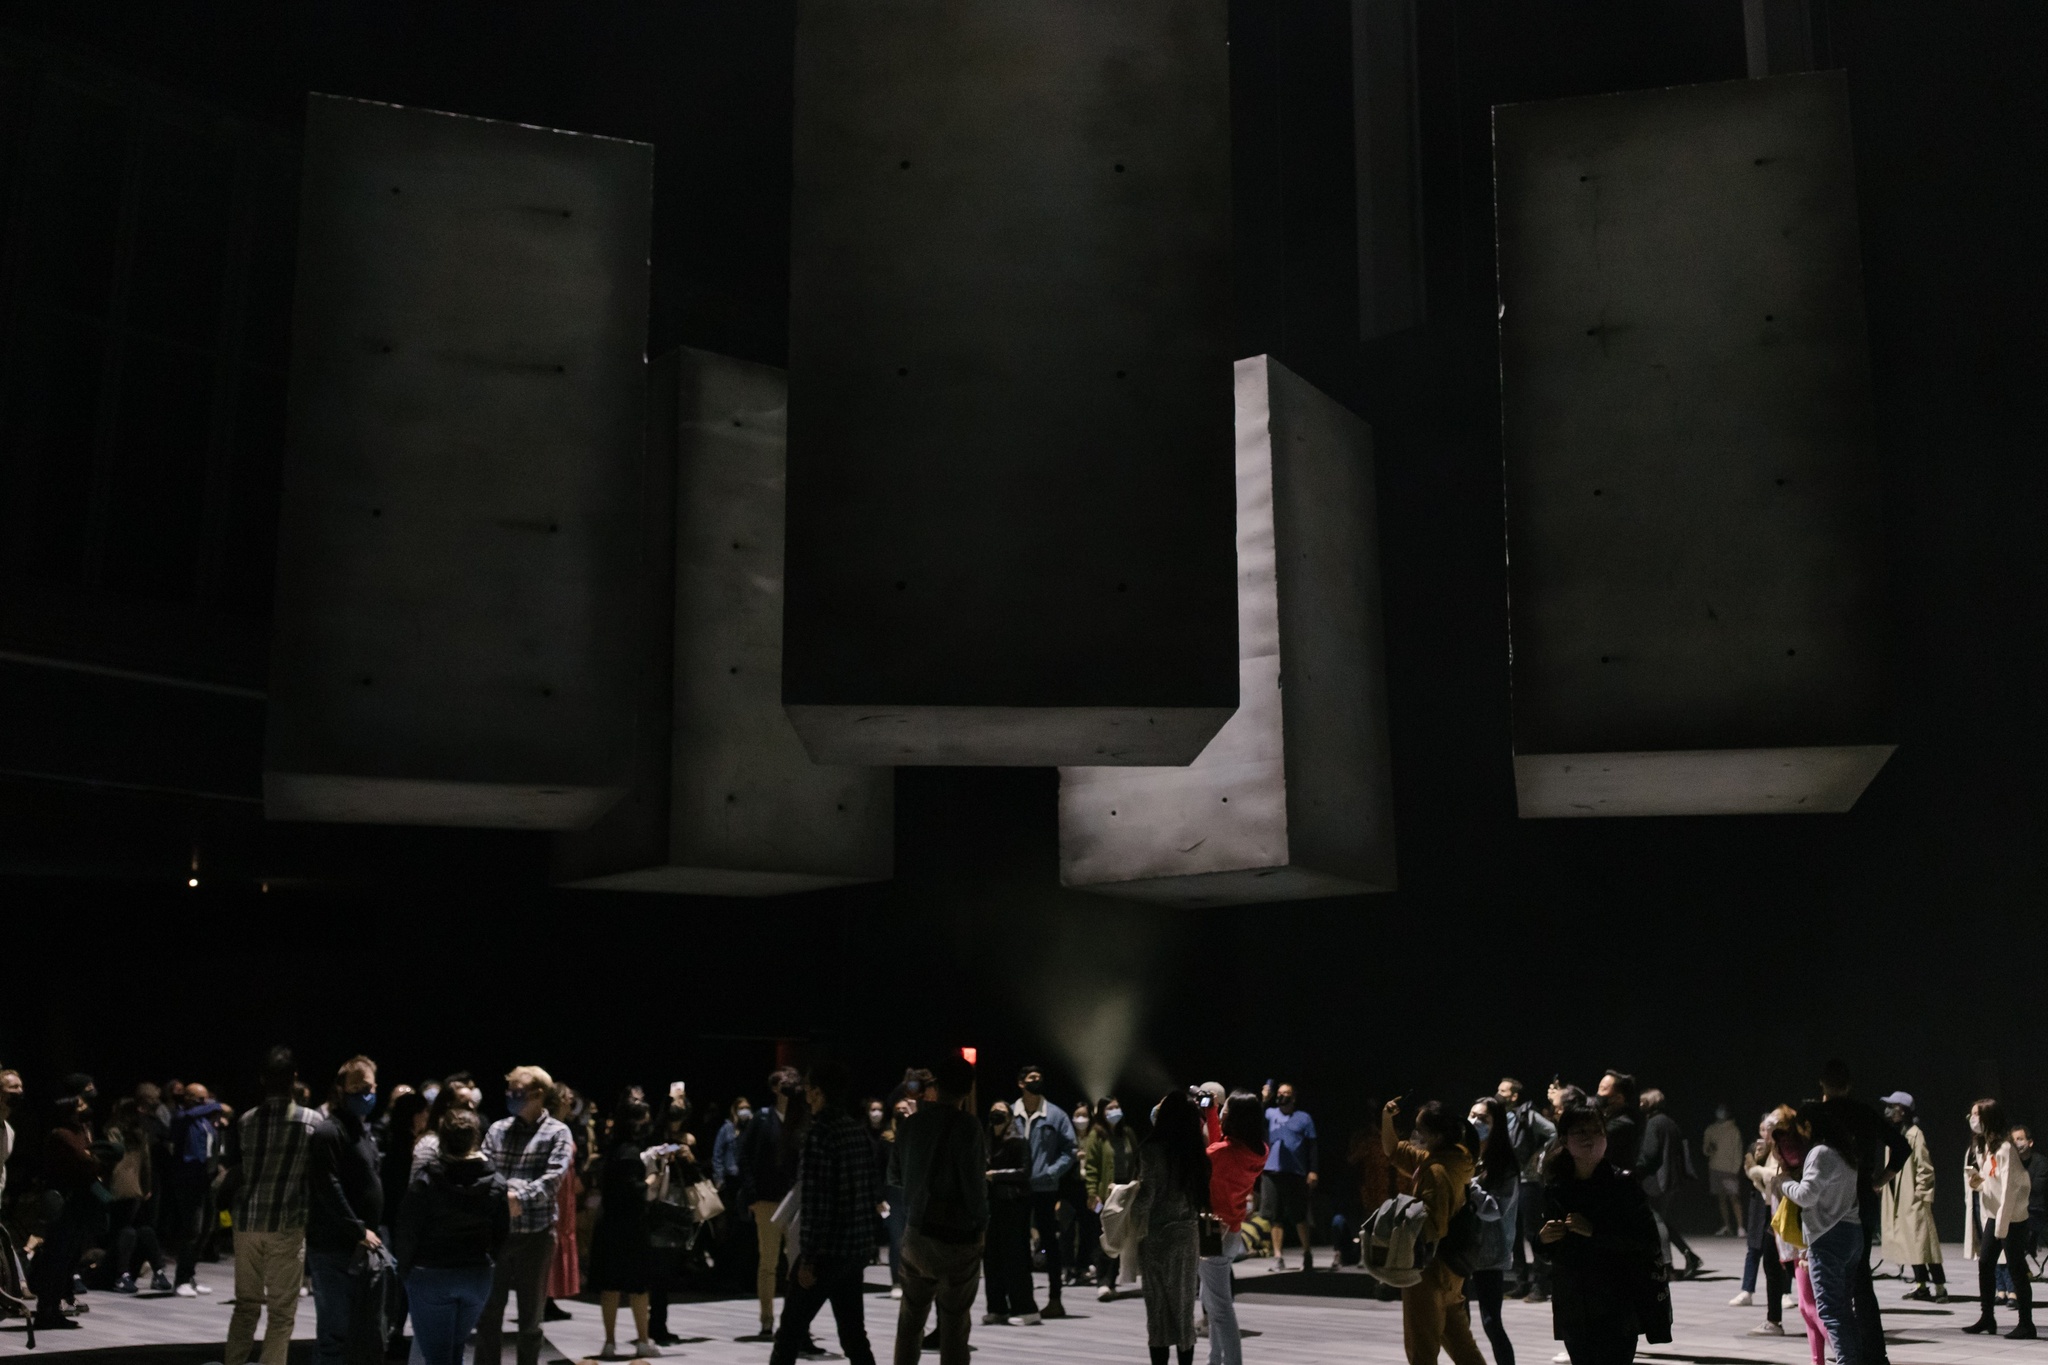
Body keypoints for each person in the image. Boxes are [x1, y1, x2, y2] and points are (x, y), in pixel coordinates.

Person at [770, 1060, 882, 1365]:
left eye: (808, 1087)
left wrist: (808, 1259)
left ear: (817, 1092)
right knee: (853, 1335)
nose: (805, 1093)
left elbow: (817, 1203)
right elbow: (869, 1190)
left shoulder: (819, 1134)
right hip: (854, 1250)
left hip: (826, 1254)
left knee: (789, 1334)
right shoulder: (856, 1131)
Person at [1535, 1102, 1664, 1365]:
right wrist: (1543, 1240)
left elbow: (1647, 1243)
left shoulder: (1623, 1184)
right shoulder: (1556, 1187)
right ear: (1564, 1140)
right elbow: (1549, 1251)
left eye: (1596, 1131)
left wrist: (1594, 1232)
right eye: (1580, 1132)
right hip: (1573, 1306)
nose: (1589, 1138)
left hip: (1616, 1304)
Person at [222, 1046, 322, 1365]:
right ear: (294, 1078)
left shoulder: (246, 1120)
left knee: (245, 1305)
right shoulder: (312, 1121)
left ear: (262, 1079)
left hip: (247, 1222)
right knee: (280, 1314)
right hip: (286, 1223)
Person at [890, 1055, 988, 1365]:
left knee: (910, 1321)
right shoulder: (968, 1127)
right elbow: (974, 1189)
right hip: (956, 1238)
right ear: (968, 1090)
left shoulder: (911, 1124)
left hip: (916, 1233)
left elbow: (894, 1176)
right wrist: (981, 1227)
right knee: (954, 1324)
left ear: (936, 1085)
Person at [477, 1065, 576, 1365]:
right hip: (499, 1235)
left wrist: (516, 1196)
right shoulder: (497, 1130)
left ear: (538, 1095)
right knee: (488, 1315)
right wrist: (506, 1197)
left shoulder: (558, 1132)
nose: (511, 1095)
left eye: (517, 1090)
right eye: (510, 1090)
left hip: (536, 1235)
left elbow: (552, 1180)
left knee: (531, 1320)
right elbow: (483, 1172)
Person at [398, 1109, 511, 1365]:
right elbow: (502, 1234)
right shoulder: (496, 1183)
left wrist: (406, 1274)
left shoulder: (425, 1181)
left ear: (442, 1139)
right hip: (476, 1276)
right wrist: (487, 1261)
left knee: (437, 1357)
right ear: (476, 1138)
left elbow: (407, 1233)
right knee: (455, 1351)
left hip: (431, 1275)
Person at [1816, 1060, 1908, 1365]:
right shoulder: (1865, 1113)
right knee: (1861, 1281)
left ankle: (1848, 1352)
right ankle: (1875, 1354)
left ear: (1823, 1085)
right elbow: (1901, 1147)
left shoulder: (1817, 1114)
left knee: (1832, 1284)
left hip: (1828, 1204)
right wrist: (1878, 1180)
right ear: (1849, 1085)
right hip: (1861, 1198)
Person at [1383, 1097, 1486, 1365]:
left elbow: (1432, 1226)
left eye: (1421, 1130)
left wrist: (1400, 1230)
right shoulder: (1455, 1158)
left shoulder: (1437, 1171)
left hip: (1429, 1270)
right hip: (1452, 1268)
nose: (1416, 1135)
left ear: (1437, 1135)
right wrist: (1387, 1119)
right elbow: (1394, 1150)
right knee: (1461, 1344)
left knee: (1422, 1350)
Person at [307, 1055, 386, 1365]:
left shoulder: (362, 1131)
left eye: (368, 1087)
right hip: (333, 1249)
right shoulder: (329, 1131)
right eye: (356, 1088)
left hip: (362, 1246)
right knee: (334, 1335)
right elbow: (327, 1185)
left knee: (364, 1333)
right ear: (340, 1089)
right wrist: (356, 1228)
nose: (364, 1094)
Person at [1781, 1104, 1872, 1365]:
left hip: (1829, 1237)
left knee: (1831, 1311)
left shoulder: (1820, 1152)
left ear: (1809, 1127)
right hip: (1852, 1234)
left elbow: (1806, 1196)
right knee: (1844, 1308)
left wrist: (1783, 1182)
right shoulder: (1846, 1153)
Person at [1132, 1090, 1210, 1365]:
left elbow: (1147, 1195)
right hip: (1186, 1235)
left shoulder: (1151, 1149)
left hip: (1156, 1235)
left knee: (1158, 1312)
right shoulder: (1195, 1149)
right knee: (1183, 1310)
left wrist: (1125, 1207)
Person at [740, 1067, 808, 1341]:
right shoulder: (762, 1118)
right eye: (783, 1083)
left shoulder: (802, 1119)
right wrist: (753, 1196)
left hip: (795, 1200)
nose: (787, 1088)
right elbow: (745, 1156)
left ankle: (794, 1319)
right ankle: (766, 1321)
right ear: (774, 1087)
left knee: (795, 1263)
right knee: (768, 1264)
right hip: (767, 1201)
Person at [589, 1097, 659, 1359]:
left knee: (610, 1287)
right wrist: (652, 1177)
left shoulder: (611, 1148)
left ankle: (609, 1342)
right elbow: (634, 1190)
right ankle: (642, 1341)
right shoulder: (631, 1152)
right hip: (631, 1225)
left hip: (609, 1223)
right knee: (638, 1287)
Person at [1961, 1097, 2034, 1338]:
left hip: (2012, 1217)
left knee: (2015, 1267)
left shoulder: (2005, 1149)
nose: (1972, 1119)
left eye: (1976, 1114)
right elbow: (1993, 1183)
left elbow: (2010, 1189)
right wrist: (1979, 1184)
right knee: (1985, 1264)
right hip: (1996, 1215)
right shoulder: (1983, 1146)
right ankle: (1987, 1317)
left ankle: (2027, 1323)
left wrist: (2001, 1227)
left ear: (1988, 1118)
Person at [28, 1089, 100, 1333]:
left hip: (78, 1200)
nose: (84, 1108)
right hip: (62, 1200)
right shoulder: (61, 1134)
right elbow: (86, 1159)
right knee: (56, 1256)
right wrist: (96, 1157)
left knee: (69, 1256)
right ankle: (46, 1309)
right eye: (78, 1105)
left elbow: (95, 1155)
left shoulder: (81, 1130)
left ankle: (55, 1308)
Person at [1205, 1090, 1267, 1365]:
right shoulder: (1259, 1151)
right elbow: (1223, 1144)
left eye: (1224, 1108)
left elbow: (1209, 1152)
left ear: (1231, 1116)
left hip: (1212, 1234)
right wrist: (1210, 1113)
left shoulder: (1220, 1153)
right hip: (1233, 1231)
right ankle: (1214, 1360)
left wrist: (1208, 1115)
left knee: (1220, 1310)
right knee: (1214, 1302)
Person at [1011, 1063, 1077, 1319]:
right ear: (1021, 1083)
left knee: (1050, 1242)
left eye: (1039, 1077)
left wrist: (1051, 1172)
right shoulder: (1010, 1112)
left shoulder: (1056, 1115)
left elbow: (1070, 1150)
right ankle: (1022, 1299)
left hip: (1045, 1188)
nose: (1036, 1080)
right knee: (1017, 1245)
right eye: (1031, 1077)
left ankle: (1055, 1299)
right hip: (1015, 1189)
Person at [1877, 1092, 1944, 1302]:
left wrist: (1921, 1196)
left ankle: (1940, 1287)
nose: (1887, 1111)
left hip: (1912, 1199)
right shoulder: (1895, 1134)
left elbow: (1925, 1168)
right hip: (1898, 1198)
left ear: (1902, 1110)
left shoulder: (1915, 1134)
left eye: (1892, 1106)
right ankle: (1921, 1285)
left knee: (1924, 1244)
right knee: (1910, 1244)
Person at [1731, 1107, 1792, 1337]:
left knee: (1795, 1266)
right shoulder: (1770, 1149)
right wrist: (1756, 1167)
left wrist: (1758, 1171)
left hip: (1789, 1213)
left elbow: (1779, 1179)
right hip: (1773, 1212)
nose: (1767, 1129)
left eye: (1772, 1125)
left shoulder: (1788, 1147)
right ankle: (1773, 1319)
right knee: (1771, 1262)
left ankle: (1823, 1316)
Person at [1469, 1096, 1520, 1365]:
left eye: (1482, 1118)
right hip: (1462, 1249)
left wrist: (1469, 1184)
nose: (1474, 1121)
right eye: (1472, 1115)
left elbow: (1492, 1210)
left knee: (1491, 1322)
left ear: (1496, 1124)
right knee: (1458, 1324)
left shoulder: (1505, 1165)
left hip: (1489, 1254)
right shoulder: (1466, 1154)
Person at [1633, 1090, 1702, 1280]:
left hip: (1656, 1181)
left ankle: (1667, 1266)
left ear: (1649, 1103)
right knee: (1661, 1220)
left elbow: (1649, 1154)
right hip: (1670, 1179)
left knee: (1657, 1222)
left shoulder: (1654, 1123)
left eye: (1642, 1102)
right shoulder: (1670, 1122)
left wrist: (1634, 1169)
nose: (1639, 1105)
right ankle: (1690, 1256)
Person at [981, 1100, 1039, 1325]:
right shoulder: (986, 1140)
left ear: (1009, 1117)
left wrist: (996, 1174)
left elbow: (1025, 1172)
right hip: (992, 1205)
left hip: (1014, 1205)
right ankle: (997, 1308)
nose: (997, 1115)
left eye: (1002, 1112)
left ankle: (1026, 1309)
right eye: (993, 1111)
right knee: (992, 1258)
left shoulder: (1018, 1140)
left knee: (1015, 1258)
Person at [167, 1081, 226, 1295]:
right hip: (187, 1181)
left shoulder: (204, 1121)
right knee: (191, 1229)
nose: (206, 1103)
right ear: (189, 1099)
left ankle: (190, 1276)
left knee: (205, 1229)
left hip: (206, 1179)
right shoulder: (182, 1117)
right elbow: (192, 1117)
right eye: (201, 1099)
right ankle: (181, 1279)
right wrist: (216, 1105)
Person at [1499, 1079, 1555, 1303]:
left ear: (1514, 1096)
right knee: (1513, 1233)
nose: (1498, 1094)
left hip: (1528, 1181)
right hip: (1509, 1180)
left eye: (1503, 1091)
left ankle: (1540, 1284)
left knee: (1532, 1233)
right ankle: (1521, 1282)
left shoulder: (1528, 1115)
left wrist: (1539, 1156)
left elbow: (1553, 1132)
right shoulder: (1500, 1116)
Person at [1261, 1082, 1320, 1271]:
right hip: (1271, 1172)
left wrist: (1313, 1170)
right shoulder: (1270, 1114)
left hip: (1295, 1172)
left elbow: (1312, 1147)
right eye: (1279, 1093)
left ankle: (1307, 1253)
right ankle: (1278, 1257)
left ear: (1293, 1097)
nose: (1281, 1097)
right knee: (1275, 1216)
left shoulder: (1304, 1118)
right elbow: (1255, 1119)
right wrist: (1264, 1099)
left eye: (1285, 1094)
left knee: (1299, 1215)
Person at [1086, 1095, 1139, 1300]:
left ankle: (1113, 1278)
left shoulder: (1127, 1134)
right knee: (1105, 1235)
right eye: (1110, 1108)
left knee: (1121, 1235)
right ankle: (1102, 1281)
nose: (1114, 1111)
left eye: (1117, 1107)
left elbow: (1136, 1158)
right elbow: (1091, 1167)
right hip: (1106, 1193)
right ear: (1101, 1112)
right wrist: (1092, 1193)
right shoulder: (1096, 1135)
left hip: (1125, 1192)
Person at [2001, 1124, 2048, 1306]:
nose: (2016, 1143)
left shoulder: (2041, 1163)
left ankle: (2014, 1292)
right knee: (1998, 1238)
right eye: (2013, 1140)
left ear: (2030, 1142)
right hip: (2014, 1210)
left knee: (2012, 1241)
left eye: (2020, 1139)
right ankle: (2002, 1289)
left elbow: (2036, 1190)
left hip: (2034, 1212)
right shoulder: (2010, 1162)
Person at [1059, 1100, 1098, 1289]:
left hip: (1088, 1189)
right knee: (1066, 1230)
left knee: (1087, 1229)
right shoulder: (1067, 1138)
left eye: (1084, 1115)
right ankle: (1067, 1267)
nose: (1080, 1119)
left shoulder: (1095, 1137)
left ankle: (1082, 1266)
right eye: (1077, 1115)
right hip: (1068, 1189)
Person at [1701, 1105, 1746, 1237]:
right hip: (1715, 1168)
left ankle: (1740, 1227)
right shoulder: (1711, 1129)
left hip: (1730, 1170)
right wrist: (1709, 1149)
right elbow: (1705, 1149)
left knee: (1734, 1198)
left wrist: (1736, 1169)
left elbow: (1738, 1151)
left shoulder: (1734, 1130)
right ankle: (1727, 1226)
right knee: (1721, 1199)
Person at [1594, 1073, 1639, 1175]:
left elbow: (1596, 1139)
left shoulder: (1623, 1124)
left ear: (1618, 1098)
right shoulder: (1609, 1118)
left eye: (1603, 1089)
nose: (1598, 1094)